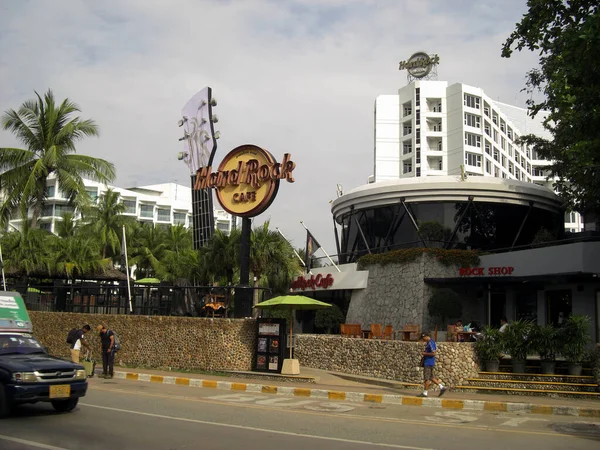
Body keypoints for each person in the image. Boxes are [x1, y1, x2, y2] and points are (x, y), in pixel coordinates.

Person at [418, 332, 447, 397]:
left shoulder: (431, 343)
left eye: (423, 338)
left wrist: (425, 354)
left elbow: (434, 353)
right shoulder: (429, 342)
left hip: (428, 362)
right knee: (431, 377)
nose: (423, 340)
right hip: (429, 362)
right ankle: (441, 387)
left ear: (426, 336)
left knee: (427, 378)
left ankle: (425, 393)